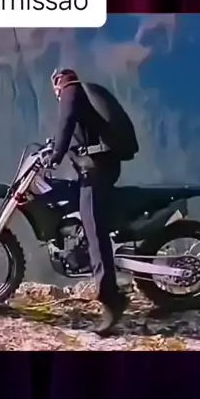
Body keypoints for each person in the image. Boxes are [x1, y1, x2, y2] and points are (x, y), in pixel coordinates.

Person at [48, 68, 132, 336]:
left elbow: (66, 122)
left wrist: (56, 156)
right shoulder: (82, 92)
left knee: (94, 226)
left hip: (97, 170)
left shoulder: (70, 92)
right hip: (98, 166)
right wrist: (53, 148)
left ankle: (111, 298)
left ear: (57, 84)